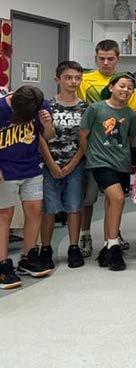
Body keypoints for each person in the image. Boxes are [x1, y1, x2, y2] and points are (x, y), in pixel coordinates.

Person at [77, 39, 136, 258]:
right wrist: (88, 154)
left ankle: (111, 238)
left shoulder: (129, 92)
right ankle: (86, 234)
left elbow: (131, 133)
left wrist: (132, 159)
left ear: (117, 59)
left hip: (119, 157)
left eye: (110, 58)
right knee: (89, 199)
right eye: (101, 58)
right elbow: (82, 126)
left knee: (114, 199)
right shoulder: (85, 81)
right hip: (95, 154)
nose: (105, 62)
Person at [0, 86, 55, 288]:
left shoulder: (41, 106)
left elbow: (48, 136)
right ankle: (2, 264)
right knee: (4, 215)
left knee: (34, 211)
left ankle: (28, 257)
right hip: (5, 170)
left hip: (31, 168)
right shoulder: (1, 108)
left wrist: (47, 124)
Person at [39, 61, 88, 270]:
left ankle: (73, 247)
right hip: (50, 164)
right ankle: (46, 248)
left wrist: (73, 163)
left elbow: (85, 140)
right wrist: (51, 164)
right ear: (58, 79)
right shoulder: (47, 106)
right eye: (68, 78)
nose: (73, 82)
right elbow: (41, 138)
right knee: (49, 208)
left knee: (74, 206)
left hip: (75, 164)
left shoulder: (85, 108)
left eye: (77, 78)